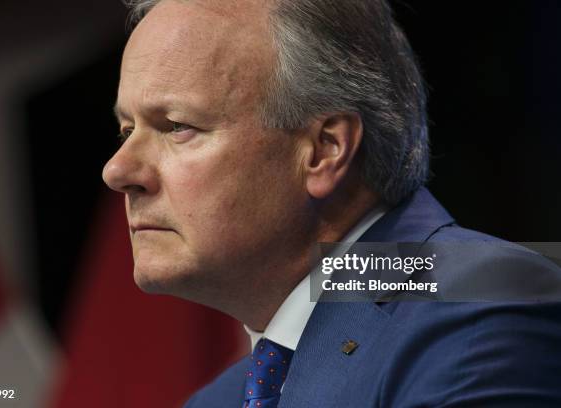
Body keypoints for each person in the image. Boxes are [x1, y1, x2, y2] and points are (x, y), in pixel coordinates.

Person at [102, 0, 561, 406]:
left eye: (177, 125)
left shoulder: (481, 306)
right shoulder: (216, 401)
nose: (118, 171)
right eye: (127, 131)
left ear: (324, 150)